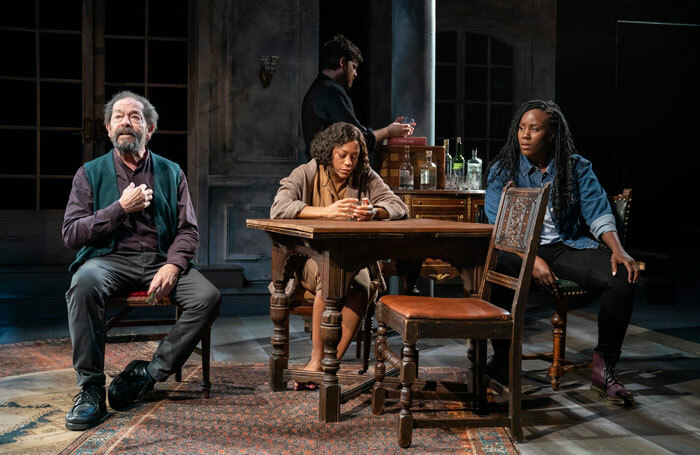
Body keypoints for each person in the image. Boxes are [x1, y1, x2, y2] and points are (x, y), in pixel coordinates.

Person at [62, 91, 221, 430]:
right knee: (83, 284)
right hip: (109, 259)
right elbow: (72, 234)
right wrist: (120, 208)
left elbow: (189, 230)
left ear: (149, 129)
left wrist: (173, 265)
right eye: (118, 117)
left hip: (159, 259)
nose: (126, 122)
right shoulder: (89, 173)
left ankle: (148, 374)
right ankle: (90, 389)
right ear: (108, 129)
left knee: (207, 297)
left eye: (135, 117)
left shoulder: (171, 172)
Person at [484, 99, 639, 405]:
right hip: (518, 250)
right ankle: (502, 358)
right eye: (521, 128)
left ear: (552, 133)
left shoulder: (576, 167)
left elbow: (598, 213)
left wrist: (618, 250)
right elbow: (498, 227)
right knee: (497, 268)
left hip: (565, 247)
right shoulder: (504, 169)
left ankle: (603, 367)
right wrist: (532, 260)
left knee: (622, 274)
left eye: (535, 129)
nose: (525, 135)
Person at [271, 122, 407, 389]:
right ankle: (315, 361)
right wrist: (325, 212)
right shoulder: (307, 172)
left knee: (363, 286)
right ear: (329, 152)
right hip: (311, 260)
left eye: (354, 156)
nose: (348, 162)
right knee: (330, 274)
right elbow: (279, 207)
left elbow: (398, 206)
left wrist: (374, 212)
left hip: (355, 262)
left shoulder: (365, 176)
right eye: (342, 155)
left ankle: (326, 366)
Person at [301, 34, 414, 162]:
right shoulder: (331, 92)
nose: (355, 74)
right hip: (329, 176)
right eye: (354, 67)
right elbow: (357, 139)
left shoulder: (316, 89)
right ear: (342, 62)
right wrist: (388, 131)